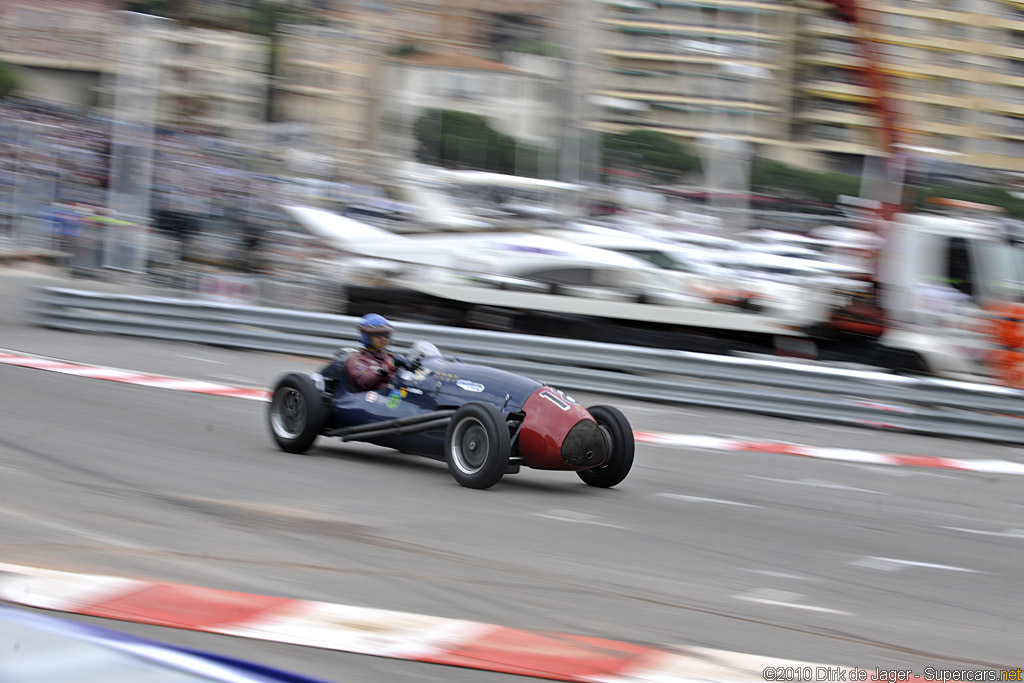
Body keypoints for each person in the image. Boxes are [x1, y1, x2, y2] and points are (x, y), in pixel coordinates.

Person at [345, 313, 397, 392]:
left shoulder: (389, 357)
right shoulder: (357, 359)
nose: (383, 339)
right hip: (367, 399)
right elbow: (363, 383)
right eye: (378, 335)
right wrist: (382, 372)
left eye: (386, 335)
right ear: (367, 337)